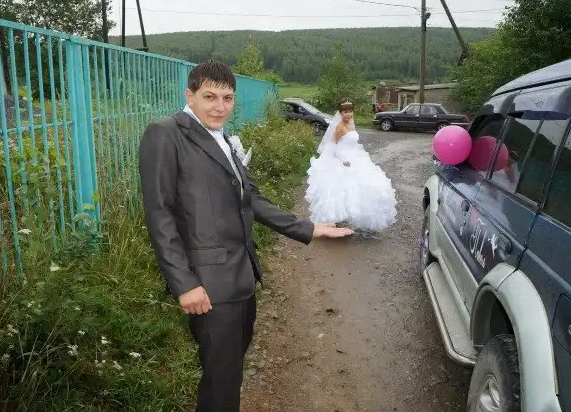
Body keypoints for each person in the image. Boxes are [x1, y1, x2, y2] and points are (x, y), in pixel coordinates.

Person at [138, 60, 353, 412]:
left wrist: (307, 228)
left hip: (242, 277)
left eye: (227, 98)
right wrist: (184, 283)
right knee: (221, 383)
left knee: (228, 375)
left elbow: (249, 198)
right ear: (189, 96)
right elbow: (159, 214)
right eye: (210, 97)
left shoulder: (222, 137)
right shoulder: (165, 134)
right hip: (207, 285)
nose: (220, 107)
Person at [305, 99, 398, 234]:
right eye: (345, 112)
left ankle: (363, 218)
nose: (348, 114)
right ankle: (338, 219)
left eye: (350, 111)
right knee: (345, 189)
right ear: (340, 113)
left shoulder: (350, 125)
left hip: (355, 156)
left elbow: (353, 143)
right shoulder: (339, 127)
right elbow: (334, 146)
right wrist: (344, 160)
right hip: (344, 159)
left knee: (367, 185)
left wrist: (359, 155)